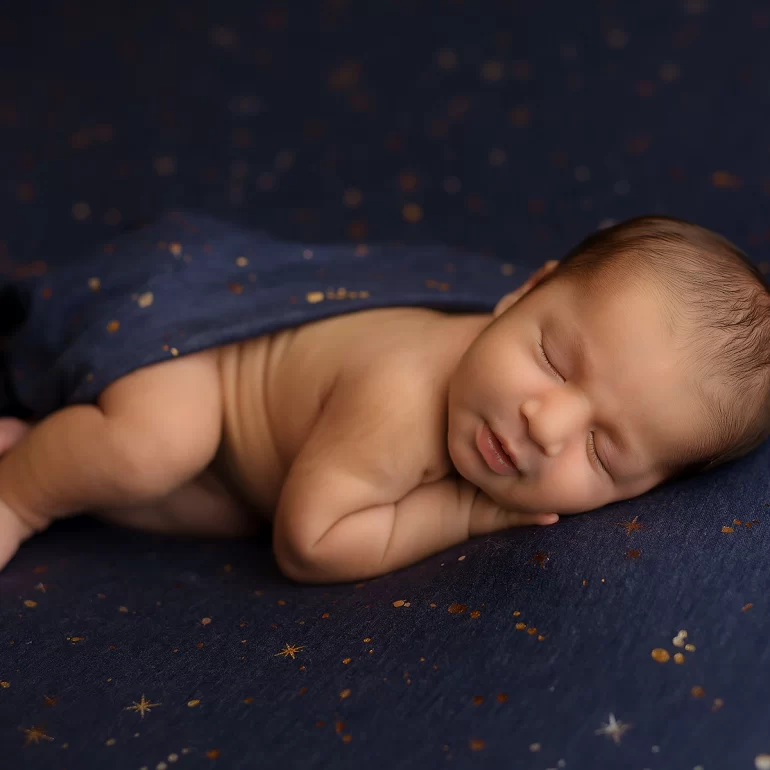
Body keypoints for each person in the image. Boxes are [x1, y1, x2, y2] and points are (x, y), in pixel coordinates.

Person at [1, 214, 768, 583]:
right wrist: (461, 515)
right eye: (550, 357)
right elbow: (309, 542)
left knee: (207, 507)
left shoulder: (513, 377)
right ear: (521, 294)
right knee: (156, 448)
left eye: (604, 452)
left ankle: (42, 442)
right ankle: (23, 493)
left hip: (262, 457)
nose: (547, 422)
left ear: (652, 489)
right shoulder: (404, 399)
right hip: (190, 355)